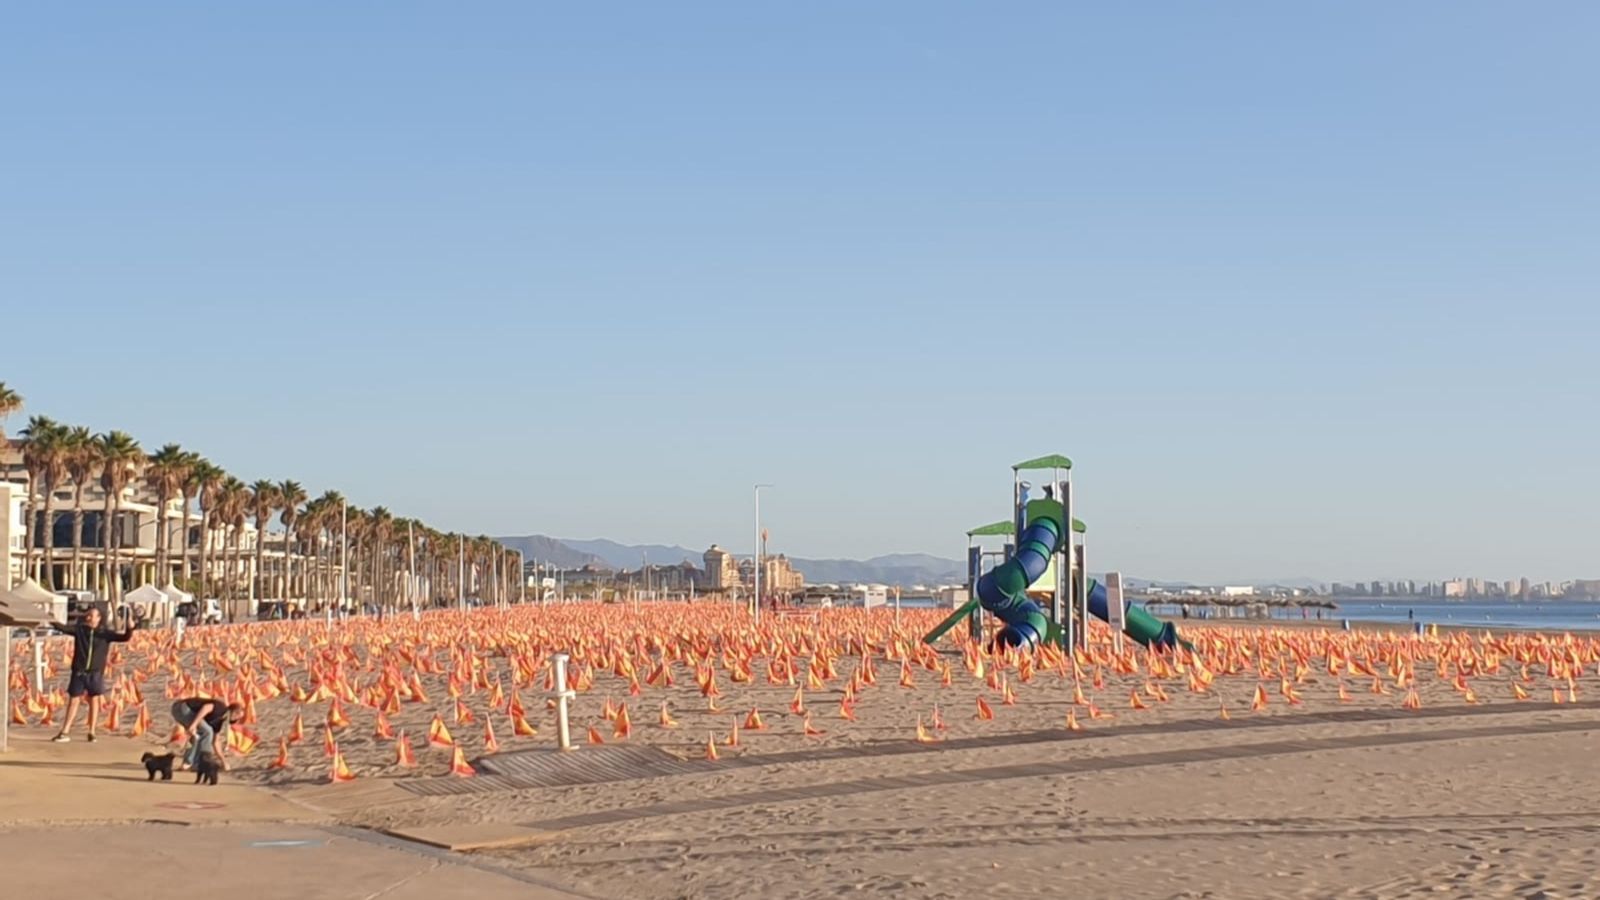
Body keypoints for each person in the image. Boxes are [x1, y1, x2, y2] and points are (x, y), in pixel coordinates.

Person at [50, 605, 136, 743]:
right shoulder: (80, 630)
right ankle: (65, 731)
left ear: (99, 618)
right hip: (79, 671)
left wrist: (130, 627)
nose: (88, 617)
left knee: (94, 700)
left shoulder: (105, 633)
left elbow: (125, 637)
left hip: (95, 673)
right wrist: (50, 618)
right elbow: (62, 628)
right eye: (88, 615)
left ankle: (92, 732)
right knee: (74, 700)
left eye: (91, 615)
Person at [171, 697, 243, 772]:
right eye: (238, 717)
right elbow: (206, 707)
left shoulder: (219, 722)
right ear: (234, 712)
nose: (237, 720)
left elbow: (215, 742)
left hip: (183, 711)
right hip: (181, 707)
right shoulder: (221, 708)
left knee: (197, 735)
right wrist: (194, 724)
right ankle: (200, 762)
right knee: (207, 731)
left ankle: (187, 764)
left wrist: (223, 761)